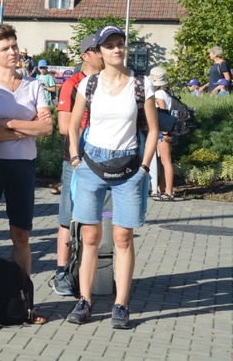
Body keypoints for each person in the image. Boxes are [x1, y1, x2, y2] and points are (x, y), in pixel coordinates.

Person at [66, 25, 158, 329]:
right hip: (92, 165)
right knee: (89, 236)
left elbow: (154, 129)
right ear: (99, 52)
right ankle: (85, 301)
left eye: (120, 44)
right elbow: (73, 124)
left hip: (129, 168)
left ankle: (121, 304)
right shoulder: (89, 84)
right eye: (110, 46)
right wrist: (76, 158)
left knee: (122, 237)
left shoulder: (141, 84)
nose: (116, 50)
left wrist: (144, 169)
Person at [0, 24, 51, 325]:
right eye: (5, 48)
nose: (13, 52)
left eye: (14, 46)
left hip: (22, 166)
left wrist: (11, 124)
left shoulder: (34, 86)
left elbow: (46, 128)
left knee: (21, 234)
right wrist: (24, 126)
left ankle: (24, 301)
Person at [51, 35, 102, 295]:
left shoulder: (112, 81)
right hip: (77, 158)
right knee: (67, 217)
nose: (104, 53)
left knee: (100, 220)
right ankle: (61, 272)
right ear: (86, 55)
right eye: (98, 50)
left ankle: (97, 273)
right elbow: (62, 126)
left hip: (107, 161)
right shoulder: (73, 84)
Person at [149, 67, 175, 201]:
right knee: (166, 161)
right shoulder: (169, 92)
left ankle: (169, 192)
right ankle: (162, 188)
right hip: (169, 129)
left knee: (165, 161)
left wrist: (165, 132)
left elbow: (163, 113)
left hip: (163, 130)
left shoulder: (159, 94)